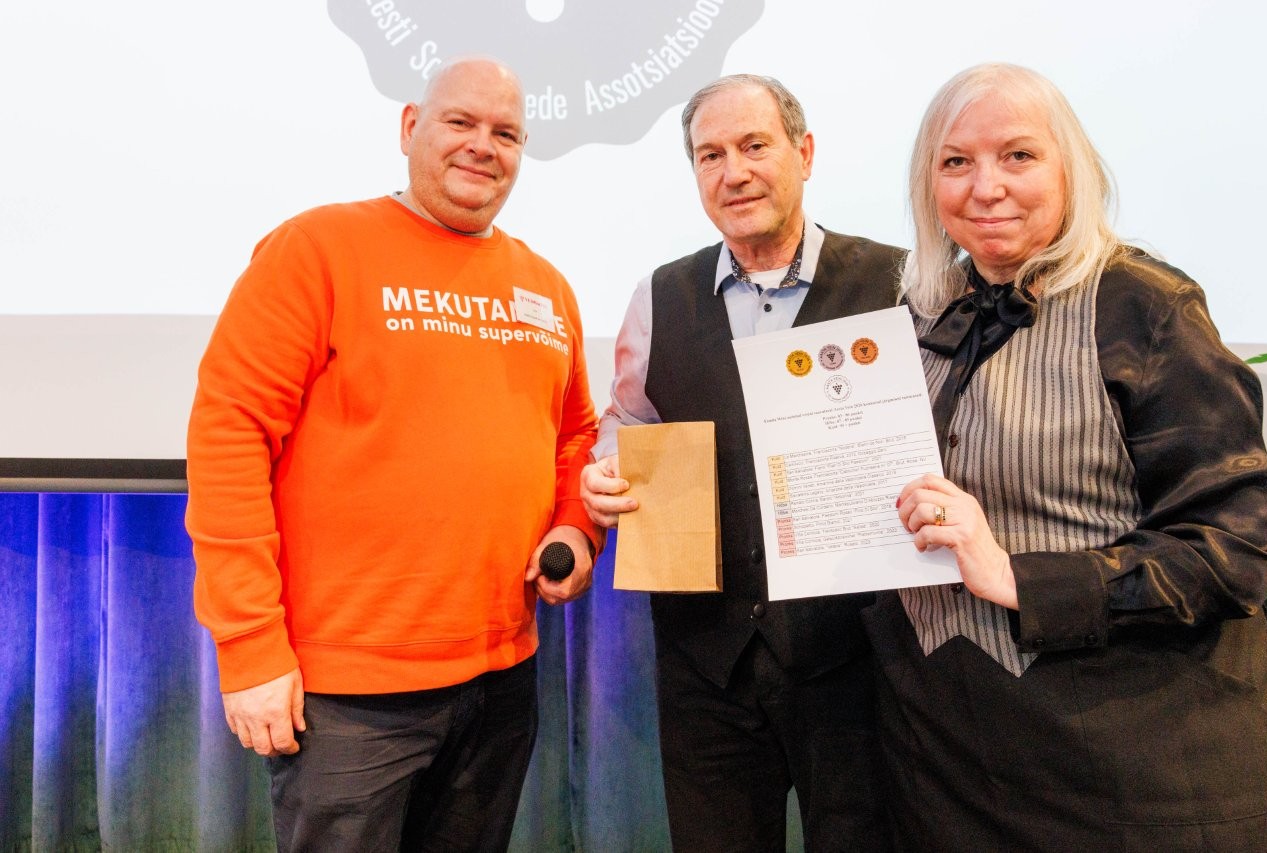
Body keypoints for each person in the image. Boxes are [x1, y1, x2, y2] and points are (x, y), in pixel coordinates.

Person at [186, 57, 600, 851]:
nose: (483, 145)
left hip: (500, 682)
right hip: (347, 699)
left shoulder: (546, 286)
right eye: (460, 122)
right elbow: (229, 436)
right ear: (411, 126)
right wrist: (248, 648)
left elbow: (575, 437)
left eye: (506, 133)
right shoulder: (317, 248)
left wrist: (575, 528)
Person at [866, 62, 1267, 849]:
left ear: (1072, 169)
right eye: (956, 161)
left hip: (1129, 769)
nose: (985, 187)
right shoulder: (915, 314)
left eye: (1018, 155)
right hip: (949, 764)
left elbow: (1233, 550)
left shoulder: (1147, 308)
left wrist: (1017, 575)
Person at [582, 74, 899, 852]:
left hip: (855, 659)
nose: (734, 172)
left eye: (755, 146)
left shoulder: (901, 283)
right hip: (705, 666)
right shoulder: (659, 294)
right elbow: (628, 422)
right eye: (710, 155)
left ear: (805, 152)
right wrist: (605, 469)